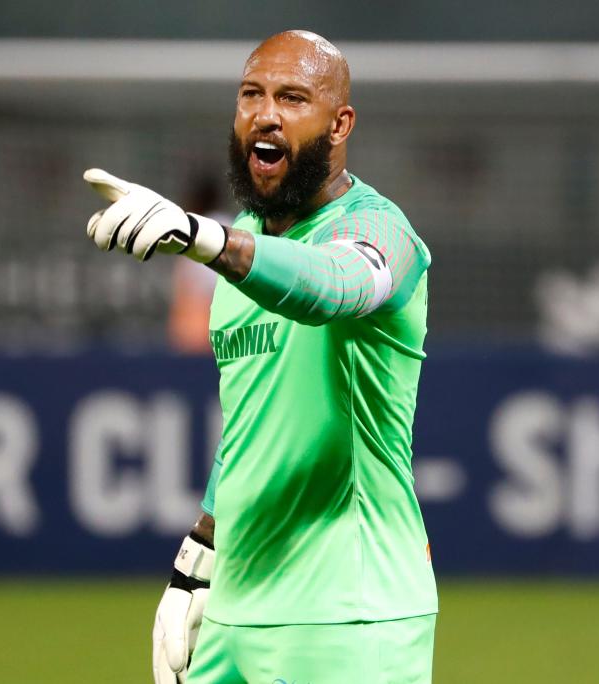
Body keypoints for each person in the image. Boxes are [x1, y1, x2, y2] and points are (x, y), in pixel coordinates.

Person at [83, 30, 437, 683]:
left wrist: (203, 238)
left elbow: (334, 286)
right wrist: (201, 552)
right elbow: (252, 418)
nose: (265, 112)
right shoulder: (242, 241)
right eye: (252, 94)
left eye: (293, 97)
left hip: (347, 616)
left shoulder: (382, 231)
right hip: (234, 608)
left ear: (339, 124)